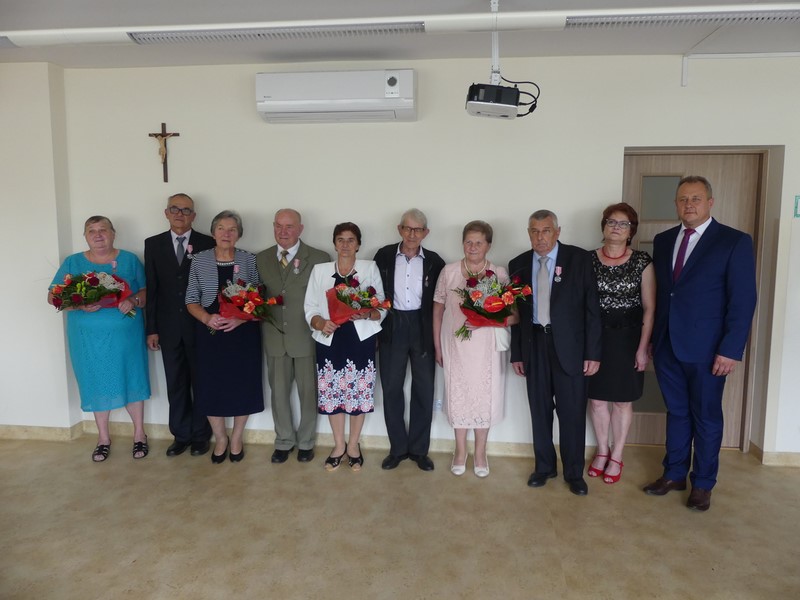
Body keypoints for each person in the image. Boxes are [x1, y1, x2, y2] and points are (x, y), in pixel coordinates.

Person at [644, 176, 757, 511]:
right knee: (677, 412)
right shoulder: (664, 240)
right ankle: (674, 473)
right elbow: (665, 294)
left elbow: (743, 301)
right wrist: (652, 340)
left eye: (695, 198)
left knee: (706, 417)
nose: (688, 204)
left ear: (710, 202)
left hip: (709, 350)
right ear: (676, 204)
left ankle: (703, 483)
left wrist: (730, 349)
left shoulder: (734, 241)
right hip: (667, 345)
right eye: (682, 199)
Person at [509, 210, 602, 496]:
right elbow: (516, 314)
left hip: (571, 348)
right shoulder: (518, 264)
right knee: (539, 410)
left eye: (546, 230)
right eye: (534, 231)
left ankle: (574, 473)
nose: (540, 237)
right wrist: (517, 354)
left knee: (572, 412)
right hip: (534, 345)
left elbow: (592, 309)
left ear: (557, 232)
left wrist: (593, 353)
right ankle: (544, 467)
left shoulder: (579, 259)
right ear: (528, 233)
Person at [48, 216, 150, 462]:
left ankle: (139, 434)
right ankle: (103, 439)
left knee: (131, 377)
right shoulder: (72, 262)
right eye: (91, 231)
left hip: (126, 338)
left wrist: (133, 300)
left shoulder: (129, 260)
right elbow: (53, 297)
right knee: (95, 381)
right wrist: (79, 305)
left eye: (103, 229)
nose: (98, 235)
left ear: (113, 233)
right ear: (85, 236)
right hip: (87, 340)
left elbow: (146, 292)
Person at [432, 220, 516, 478]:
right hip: (455, 345)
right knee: (458, 395)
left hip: (486, 349)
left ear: (488, 245)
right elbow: (437, 312)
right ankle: (460, 451)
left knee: (484, 397)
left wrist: (487, 321)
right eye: (468, 241)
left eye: (479, 242)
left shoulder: (498, 273)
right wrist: (437, 346)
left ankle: (480, 452)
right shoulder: (449, 272)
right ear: (462, 243)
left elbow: (514, 316)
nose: (473, 247)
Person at [304, 222, 387, 472]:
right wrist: (320, 323)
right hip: (331, 339)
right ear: (334, 243)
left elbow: (381, 305)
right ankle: (339, 445)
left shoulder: (369, 268)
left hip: (360, 340)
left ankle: (353, 446)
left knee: (357, 394)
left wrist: (367, 313)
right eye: (340, 239)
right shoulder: (320, 271)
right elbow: (310, 307)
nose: (345, 244)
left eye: (351, 240)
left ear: (358, 244)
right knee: (333, 395)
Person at [186, 210, 264, 463]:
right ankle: (220, 438)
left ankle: (237, 438)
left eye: (232, 229)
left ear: (239, 234)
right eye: (221, 228)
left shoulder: (249, 259)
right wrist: (206, 318)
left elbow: (259, 298)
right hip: (210, 332)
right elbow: (191, 299)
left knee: (243, 384)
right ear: (213, 233)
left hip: (242, 333)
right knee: (210, 385)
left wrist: (241, 319)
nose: (226, 233)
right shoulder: (199, 260)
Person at [586, 203, 655, 484]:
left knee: (622, 401)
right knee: (596, 400)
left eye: (623, 223)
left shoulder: (642, 261)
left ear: (631, 231)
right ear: (603, 226)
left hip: (629, 340)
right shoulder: (587, 260)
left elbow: (650, 308)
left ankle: (617, 454)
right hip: (596, 340)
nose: (616, 227)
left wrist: (643, 347)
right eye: (611, 222)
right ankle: (602, 451)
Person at [256, 209, 330, 464]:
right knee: (278, 394)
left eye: (289, 226)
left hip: (307, 337)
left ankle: (307, 442)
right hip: (275, 337)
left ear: (300, 229)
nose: (283, 231)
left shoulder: (319, 258)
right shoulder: (261, 258)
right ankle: (284, 440)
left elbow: (326, 299)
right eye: (278, 225)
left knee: (309, 393)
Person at [145, 193, 215, 457]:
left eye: (186, 210)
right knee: (175, 383)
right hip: (168, 327)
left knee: (201, 382)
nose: (179, 214)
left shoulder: (207, 243)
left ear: (193, 216)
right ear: (166, 213)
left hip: (199, 326)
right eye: (174, 209)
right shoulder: (153, 244)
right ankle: (180, 434)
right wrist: (152, 328)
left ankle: (200, 435)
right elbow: (152, 288)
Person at [374, 209, 445, 471]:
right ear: (399, 229)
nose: (412, 234)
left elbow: (440, 302)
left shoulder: (435, 261)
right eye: (407, 228)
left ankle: (418, 450)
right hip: (392, 325)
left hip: (422, 327)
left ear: (426, 232)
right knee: (391, 388)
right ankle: (397, 449)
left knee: (424, 388)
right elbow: (374, 292)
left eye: (418, 229)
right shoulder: (383, 255)